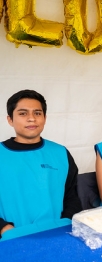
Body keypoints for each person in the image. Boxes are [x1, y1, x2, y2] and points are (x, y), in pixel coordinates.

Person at [0, 90, 82, 241]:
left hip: (57, 234)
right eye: (23, 113)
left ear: (44, 118)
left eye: (37, 113)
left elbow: (72, 196)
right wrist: (4, 228)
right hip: (11, 239)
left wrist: (66, 223)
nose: (31, 118)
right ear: (10, 119)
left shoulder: (60, 153)